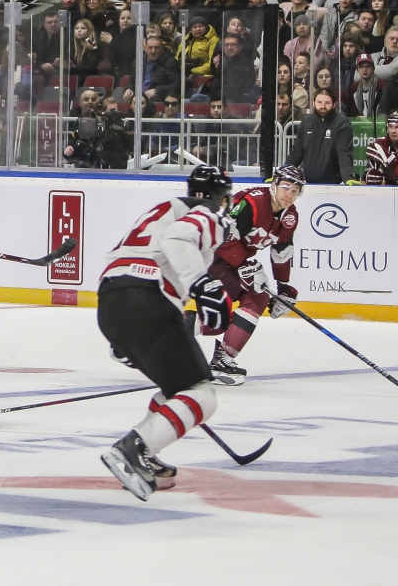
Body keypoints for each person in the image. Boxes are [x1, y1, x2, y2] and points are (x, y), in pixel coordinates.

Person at [97, 165, 233, 501]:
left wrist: (126, 335)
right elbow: (179, 241)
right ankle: (134, 449)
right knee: (202, 395)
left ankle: (146, 452)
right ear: (220, 197)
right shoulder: (209, 212)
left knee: (177, 389)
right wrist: (204, 286)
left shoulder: (163, 210)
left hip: (111, 302)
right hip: (146, 297)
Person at [191, 165, 304, 385]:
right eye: (285, 187)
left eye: (295, 190)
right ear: (274, 185)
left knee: (219, 320)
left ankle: (160, 329)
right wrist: (245, 265)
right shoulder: (253, 203)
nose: (289, 194)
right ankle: (222, 359)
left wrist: (283, 288)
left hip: (226, 263)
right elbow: (223, 236)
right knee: (254, 298)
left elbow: (281, 252)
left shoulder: (290, 217)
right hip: (210, 256)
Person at [286, 88, 358, 184]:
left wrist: (347, 177)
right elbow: (297, 152)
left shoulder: (342, 123)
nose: (323, 106)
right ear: (313, 103)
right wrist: (283, 174)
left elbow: (344, 152)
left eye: (327, 103)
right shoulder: (306, 122)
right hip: (308, 183)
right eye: (319, 102)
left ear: (334, 105)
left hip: (334, 184)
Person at [347, 53, 386, 117]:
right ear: (357, 69)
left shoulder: (382, 86)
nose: (364, 69)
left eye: (368, 66)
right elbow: (351, 112)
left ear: (373, 68)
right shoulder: (353, 88)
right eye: (361, 66)